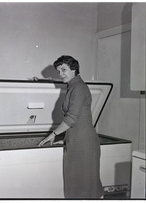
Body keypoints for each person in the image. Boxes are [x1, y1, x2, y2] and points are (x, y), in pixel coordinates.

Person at [38, 55, 103, 199]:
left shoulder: (79, 87)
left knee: (84, 185)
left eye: (63, 70)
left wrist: (53, 134)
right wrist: (66, 139)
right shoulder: (73, 86)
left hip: (84, 143)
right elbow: (77, 119)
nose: (60, 74)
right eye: (58, 71)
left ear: (73, 69)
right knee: (77, 184)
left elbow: (72, 118)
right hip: (76, 141)